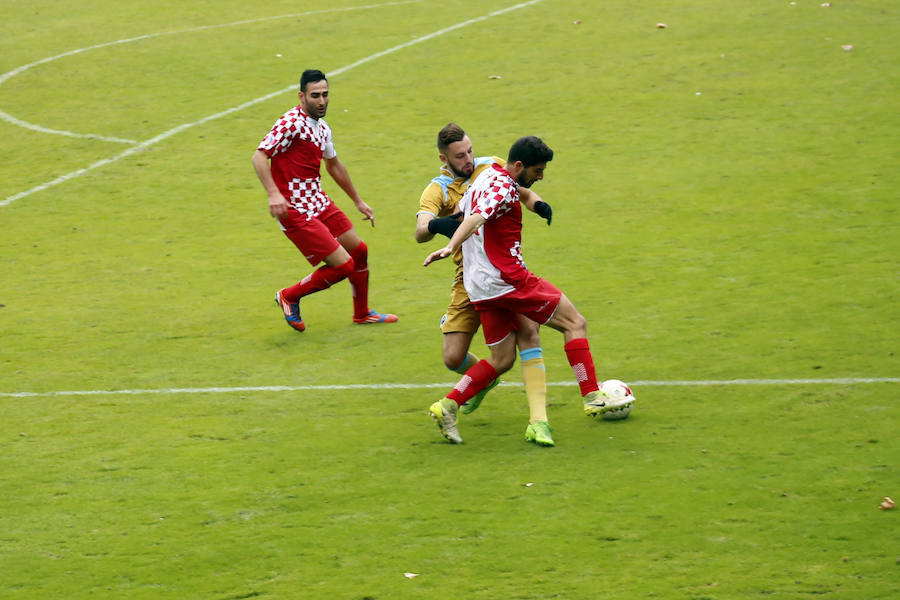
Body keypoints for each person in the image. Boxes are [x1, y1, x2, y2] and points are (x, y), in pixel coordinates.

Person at [423, 135, 632, 444]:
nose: (540, 177)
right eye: (537, 171)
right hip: (508, 279)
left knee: (502, 359)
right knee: (575, 323)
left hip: (479, 286)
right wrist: (450, 245)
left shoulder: (485, 177)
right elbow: (477, 218)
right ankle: (592, 397)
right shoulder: (502, 188)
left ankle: (448, 405)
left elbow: (464, 214)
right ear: (519, 166)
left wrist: (537, 205)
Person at [415, 123, 556, 446]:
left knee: (529, 333)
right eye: (459, 156)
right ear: (443, 158)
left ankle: (538, 420)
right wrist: (438, 225)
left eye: (469, 152)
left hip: (498, 272)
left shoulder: (488, 167)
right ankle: (483, 379)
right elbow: (420, 231)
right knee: (453, 357)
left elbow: (521, 189)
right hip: (467, 280)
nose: (468, 160)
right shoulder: (436, 189)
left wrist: (538, 205)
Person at [252, 69, 397, 331]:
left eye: (325, 95)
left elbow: (334, 165)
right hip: (293, 208)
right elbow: (259, 156)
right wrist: (273, 194)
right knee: (343, 265)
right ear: (302, 96)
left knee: (359, 251)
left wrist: (358, 201)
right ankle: (289, 295)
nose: (321, 101)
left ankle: (362, 313)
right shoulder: (290, 123)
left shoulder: (323, 127)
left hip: (318, 202)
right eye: (315, 95)